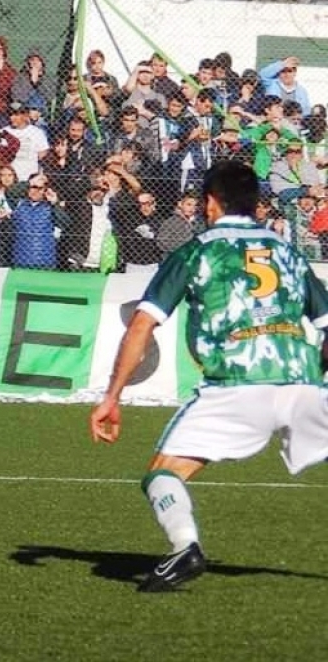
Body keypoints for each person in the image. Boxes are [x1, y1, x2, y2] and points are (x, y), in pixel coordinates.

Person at [90, 160, 328, 592]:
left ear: (210, 203)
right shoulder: (288, 251)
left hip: (235, 387)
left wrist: (112, 396)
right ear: (256, 204)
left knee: (162, 474)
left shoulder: (196, 250)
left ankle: (185, 547)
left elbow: (143, 325)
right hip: (303, 382)